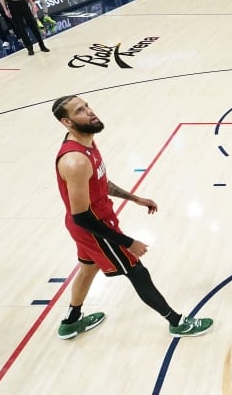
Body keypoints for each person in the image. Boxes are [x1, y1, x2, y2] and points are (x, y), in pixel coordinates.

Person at [52, 95, 213, 340]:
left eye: (87, 106)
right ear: (67, 122)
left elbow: (99, 182)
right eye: (80, 111)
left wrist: (135, 199)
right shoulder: (75, 160)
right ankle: (177, 322)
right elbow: (83, 217)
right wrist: (128, 242)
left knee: (87, 268)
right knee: (137, 272)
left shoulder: (87, 143)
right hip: (94, 228)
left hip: (91, 225)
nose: (90, 111)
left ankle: (71, 322)